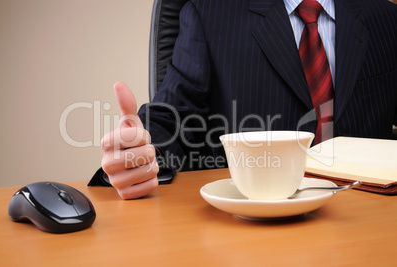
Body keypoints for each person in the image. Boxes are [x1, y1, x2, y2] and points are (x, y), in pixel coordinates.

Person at [89, 0, 397, 199]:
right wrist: (140, 153)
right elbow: (171, 117)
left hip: (365, 219)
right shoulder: (209, 13)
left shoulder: (387, 19)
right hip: (249, 219)